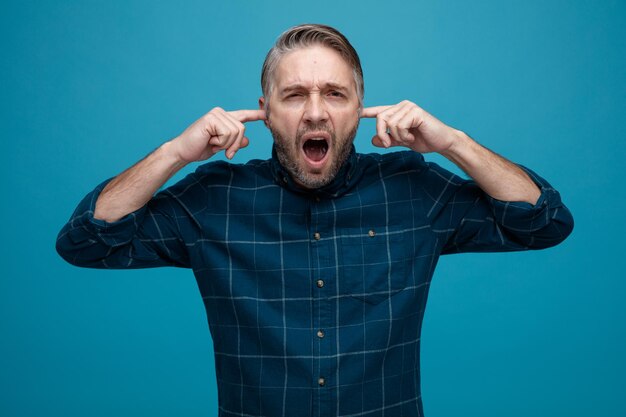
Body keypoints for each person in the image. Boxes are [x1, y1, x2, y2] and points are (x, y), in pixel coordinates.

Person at [56, 23, 574, 417]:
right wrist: (175, 153)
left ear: (360, 109)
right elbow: (85, 241)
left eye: (334, 93)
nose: (315, 112)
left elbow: (544, 221)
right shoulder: (214, 200)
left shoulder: (415, 192)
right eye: (295, 94)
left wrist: (453, 144)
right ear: (265, 111)